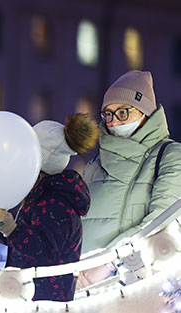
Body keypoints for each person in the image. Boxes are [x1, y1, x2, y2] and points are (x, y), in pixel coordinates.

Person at [0, 113, 99, 301]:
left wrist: (11, 229)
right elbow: (23, 242)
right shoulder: (41, 196)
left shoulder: (57, 203)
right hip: (29, 296)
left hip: (46, 303)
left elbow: (45, 254)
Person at [78, 70, 181, 288]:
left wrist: (106, 265)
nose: (113, 122)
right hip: (79, 291)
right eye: (108, 114)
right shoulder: (96, 163)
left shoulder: (169, 155)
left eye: (123, 113)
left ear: (145, 112)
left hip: (131, 289)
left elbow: (162, 219)